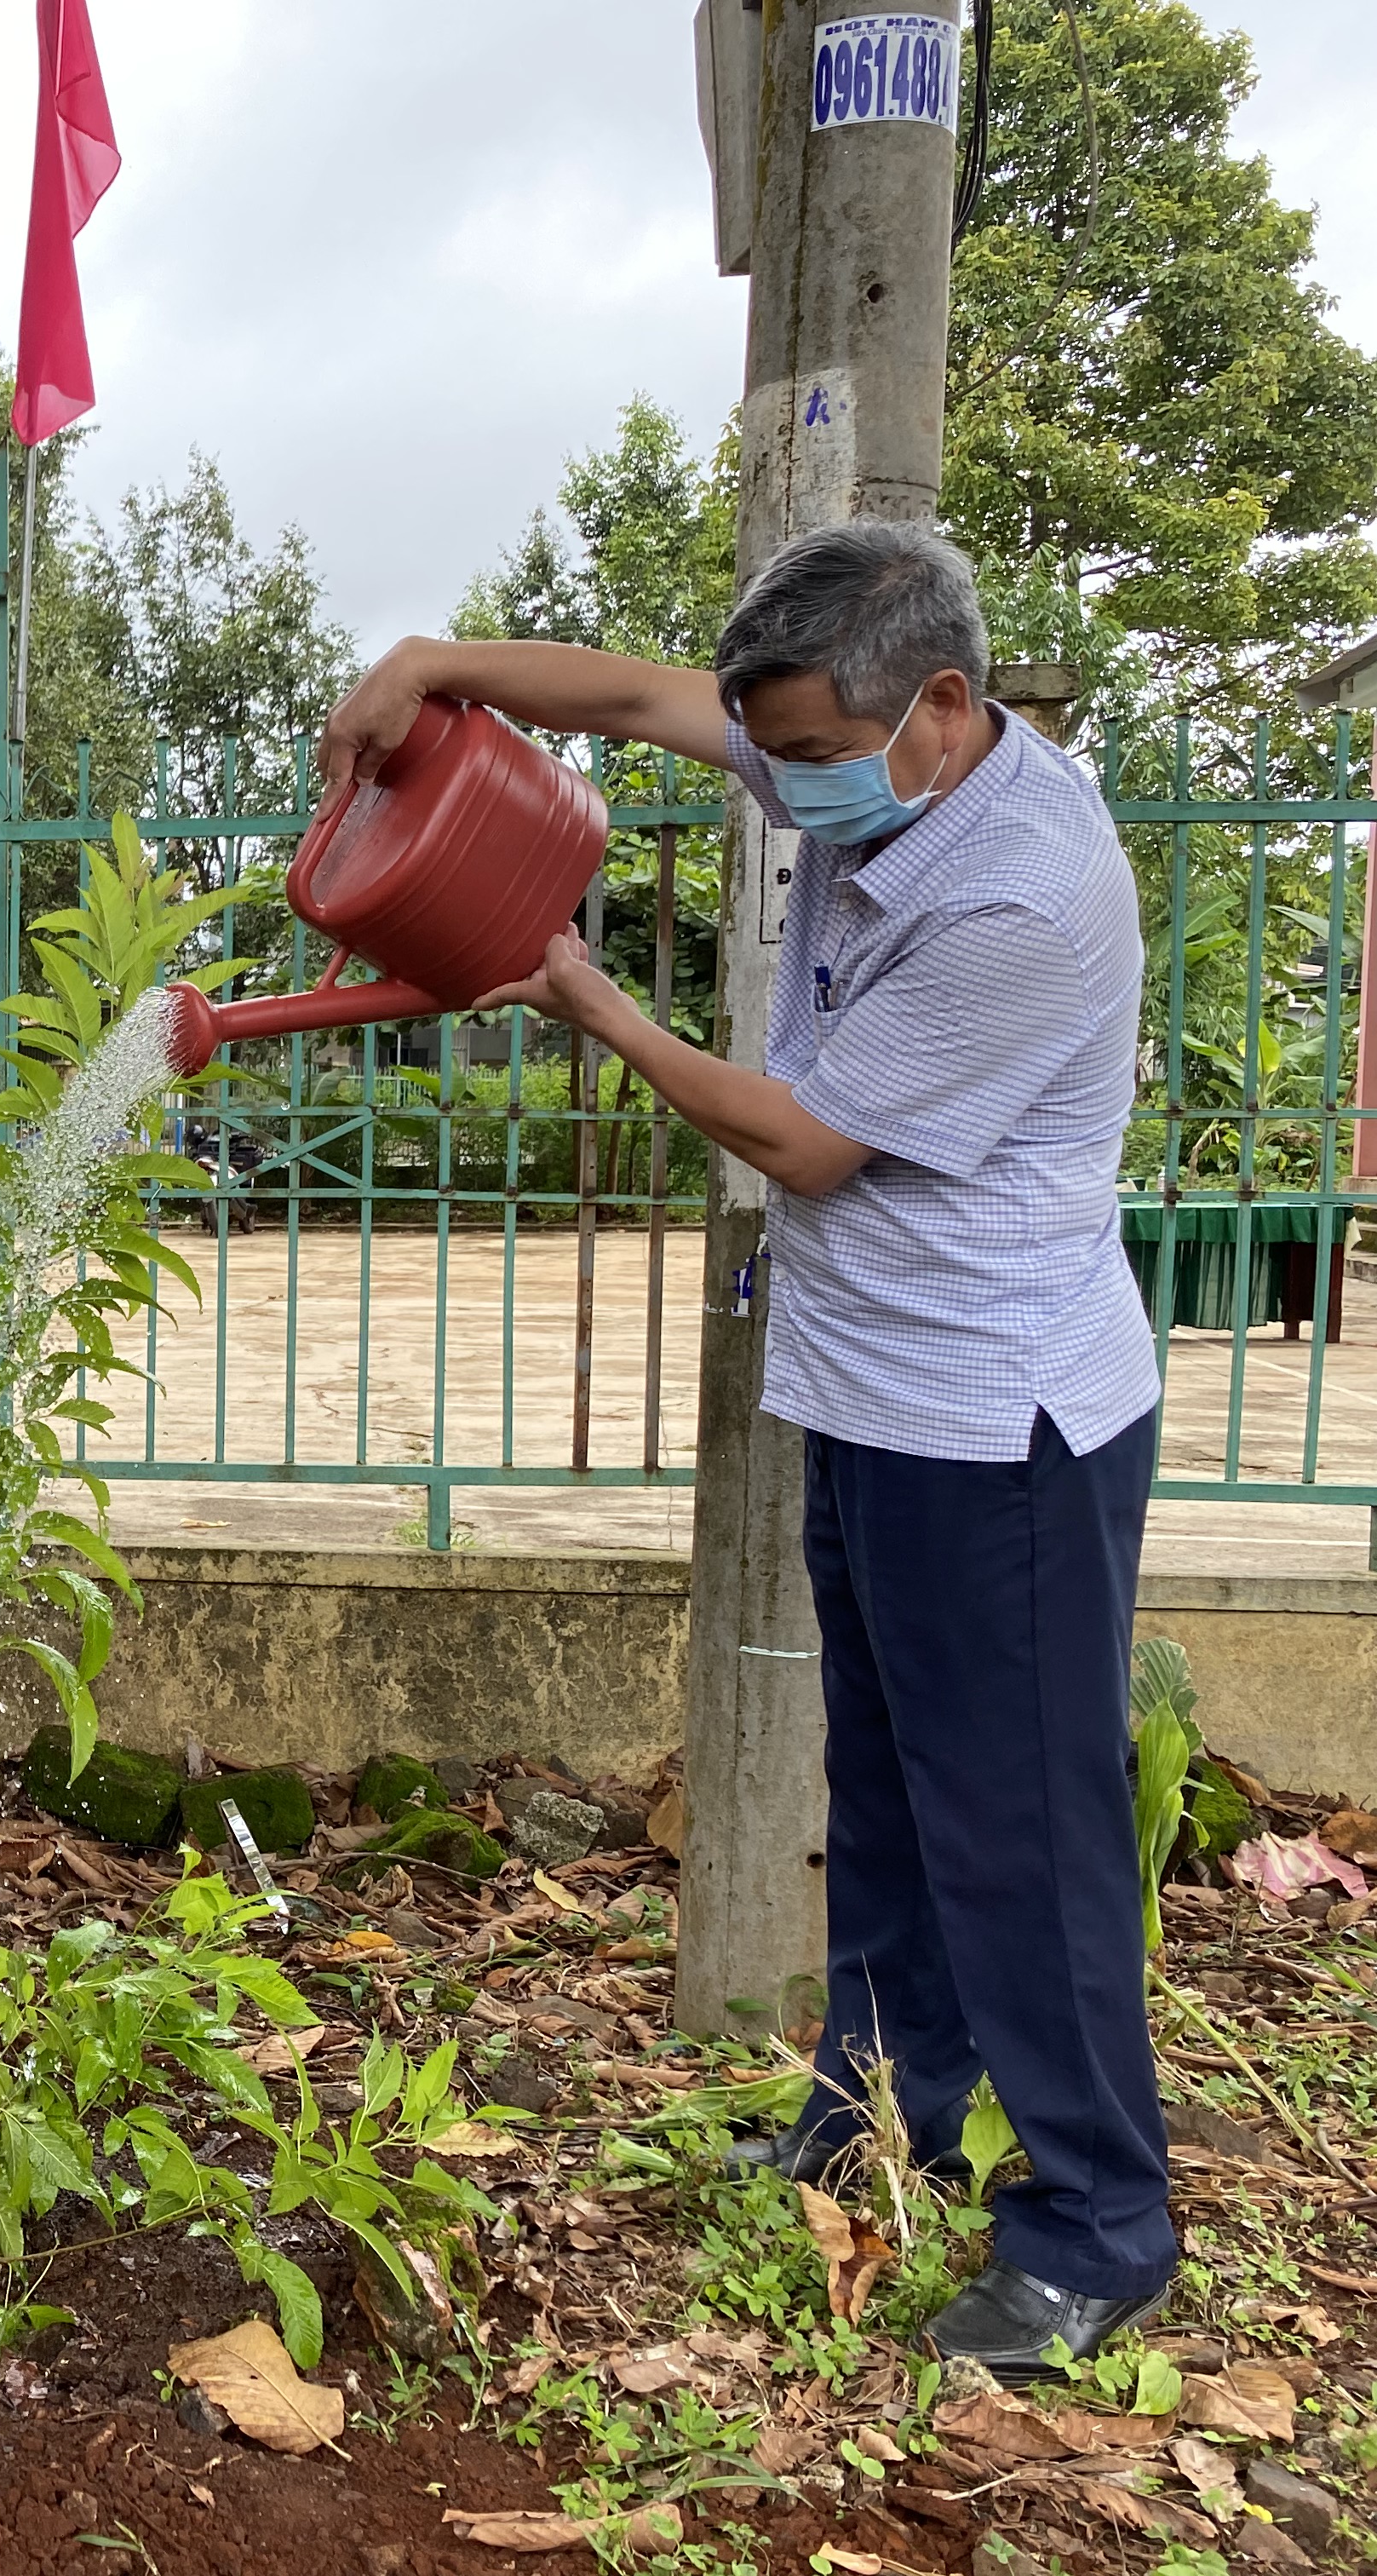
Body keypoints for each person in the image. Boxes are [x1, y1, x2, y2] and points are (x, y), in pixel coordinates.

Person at [315, 521, 1168, 2383]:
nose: (779, 783)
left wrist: (590, 1000)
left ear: (940, 707)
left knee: (1022, 1835)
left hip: (998, 1420)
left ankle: (1100, 2225)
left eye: (806, 755)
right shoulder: (854, 740)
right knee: (893, 1799)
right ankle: (879, 2116)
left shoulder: (1023, 891)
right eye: (766, 746)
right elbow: (629, 696)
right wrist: (434, 660)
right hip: (875, 1393)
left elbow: (803, 1145)